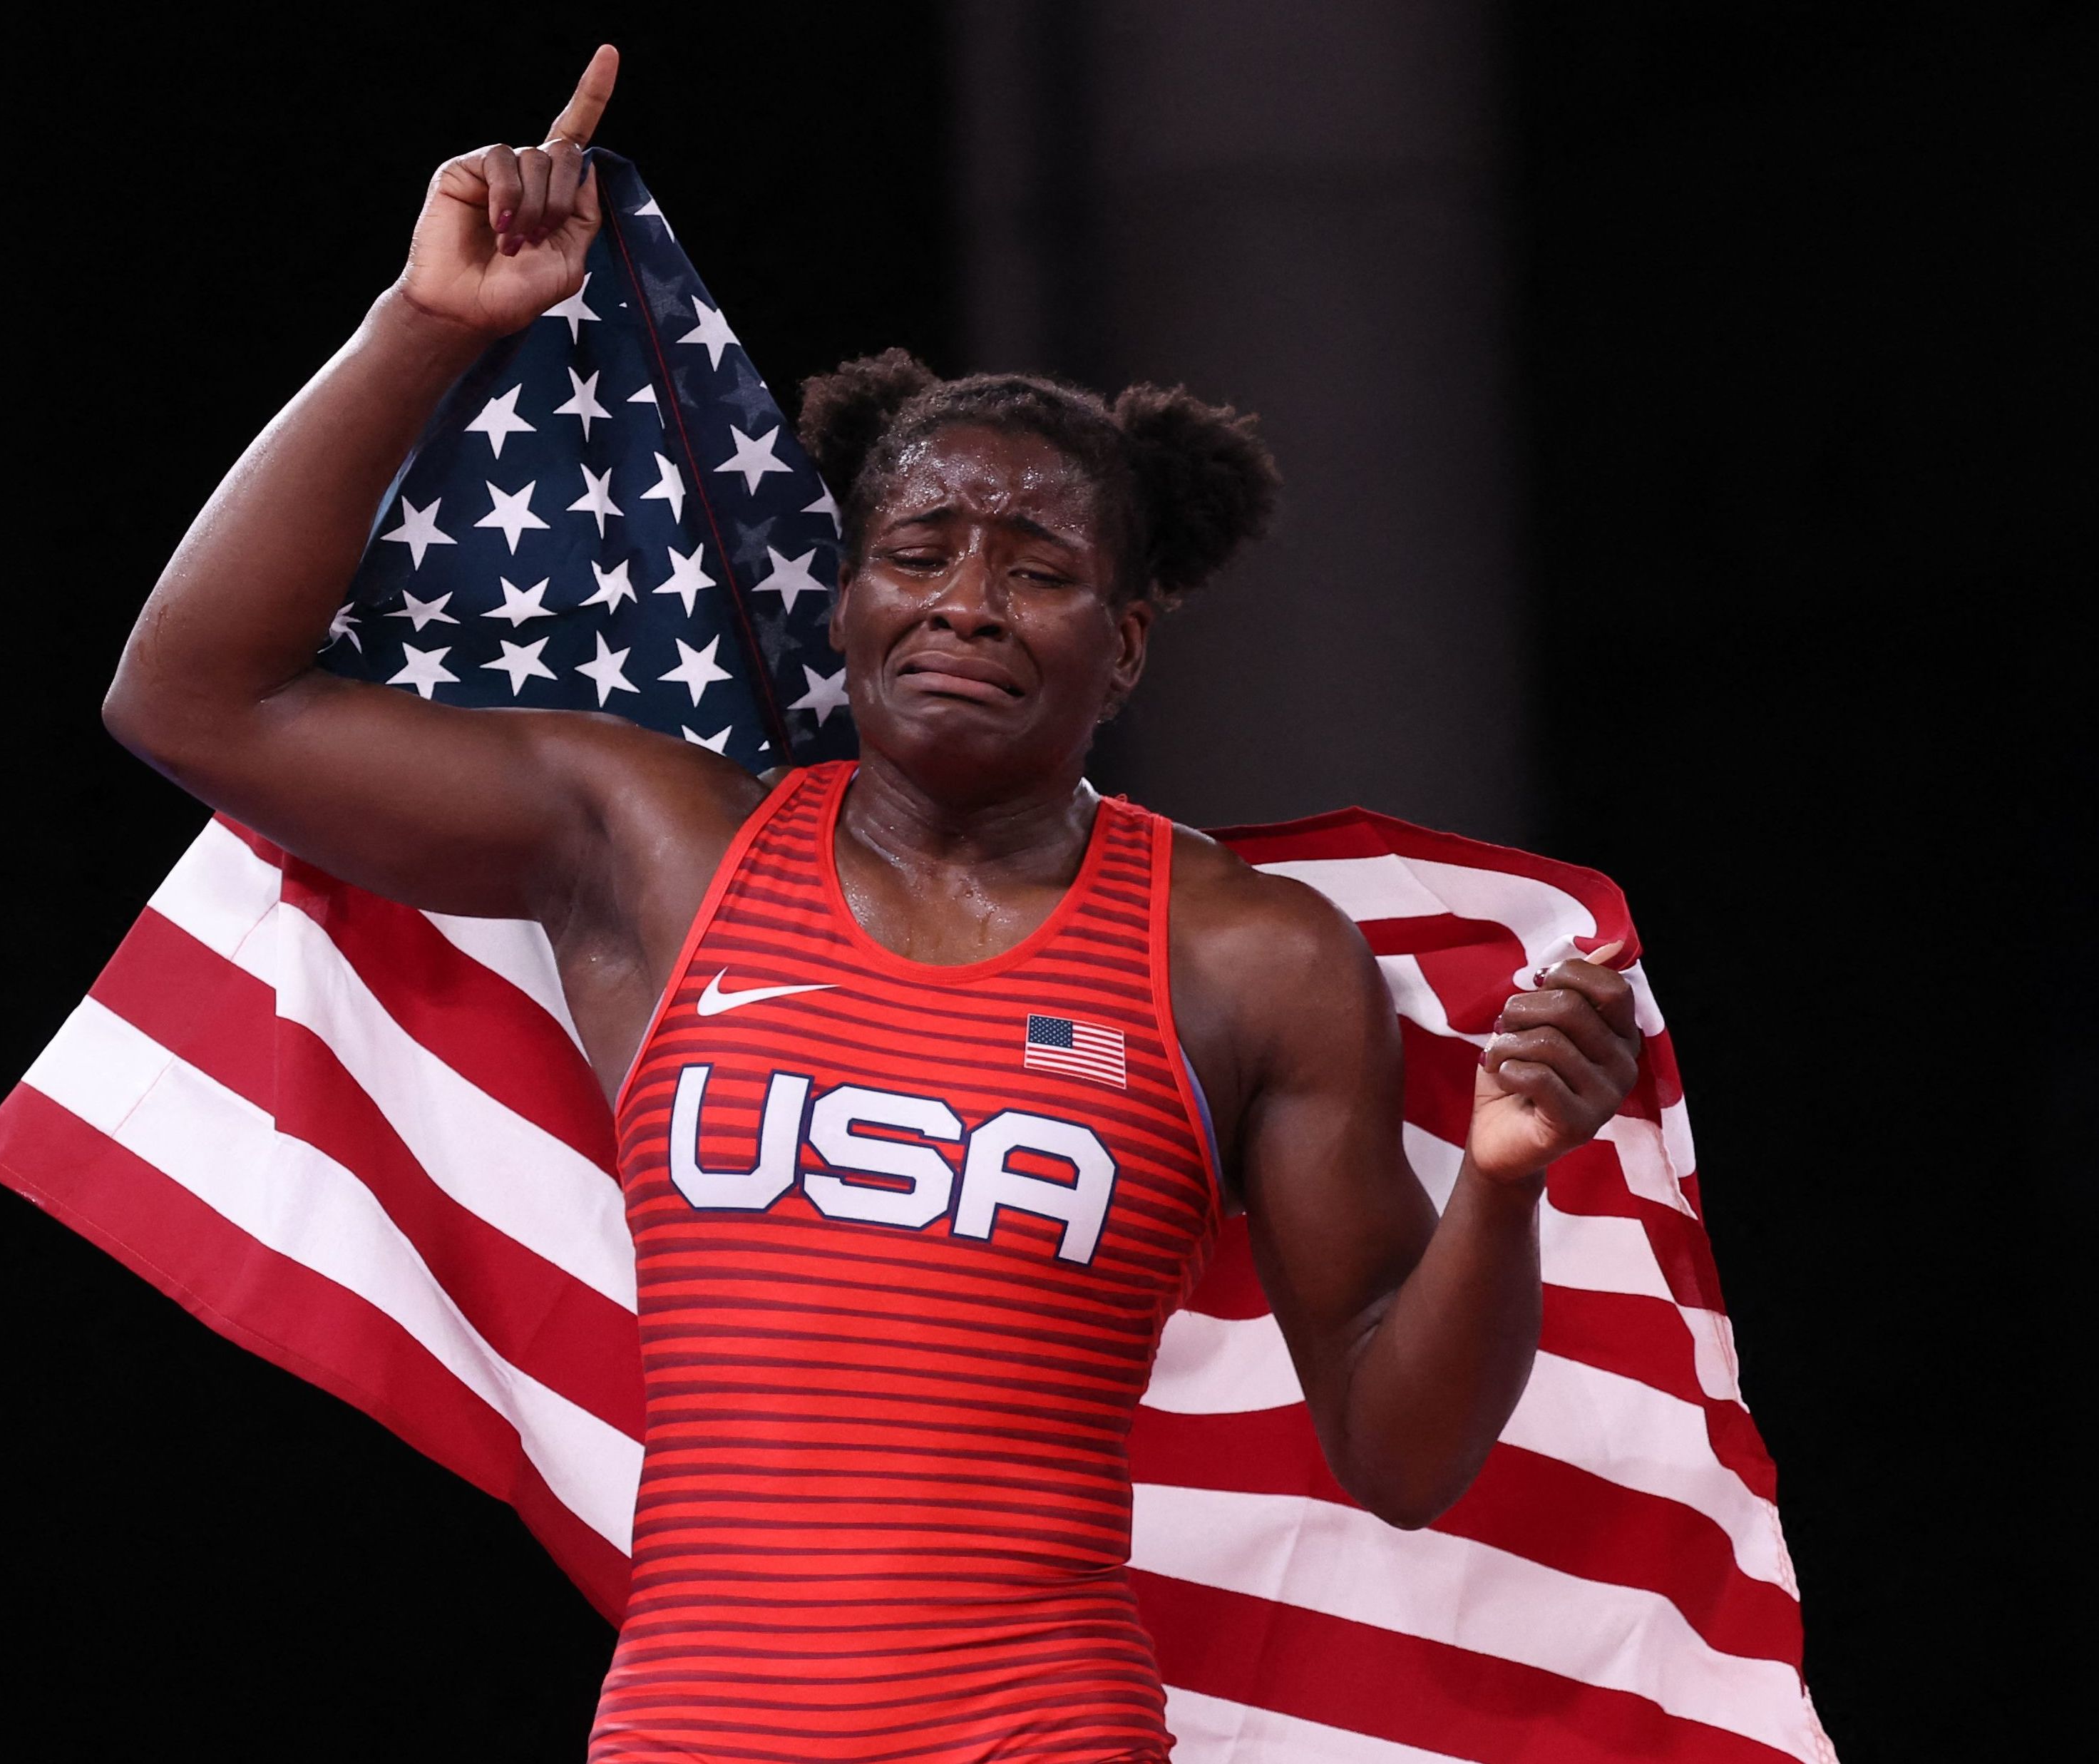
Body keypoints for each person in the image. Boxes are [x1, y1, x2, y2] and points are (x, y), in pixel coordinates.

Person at [103, 43, 1640, 1764]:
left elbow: (1398, 1453)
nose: (967, 602)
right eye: (918, 552)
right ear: (844, 602)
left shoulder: (1249, 955)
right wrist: (428, 323)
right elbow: (193, 701)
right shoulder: (660, 844)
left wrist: (1502, 1186)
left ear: (1123, 642)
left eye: (1040, 570)